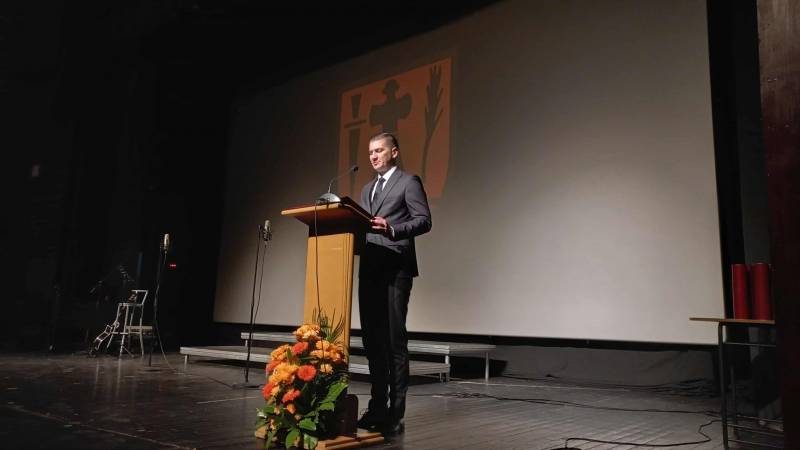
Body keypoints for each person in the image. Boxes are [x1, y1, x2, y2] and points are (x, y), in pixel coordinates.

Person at [357, 132, 432, 435]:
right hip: (369, 269)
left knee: (393, 341)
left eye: (379, 150)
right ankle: (376, 407)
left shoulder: (408, 182)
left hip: (395, 269)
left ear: (394, 152)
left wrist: (393, 229)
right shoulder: (366, 189)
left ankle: (395, 413)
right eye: (370, 152)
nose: (374, 156)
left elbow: (424, 220)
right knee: (372, 341)